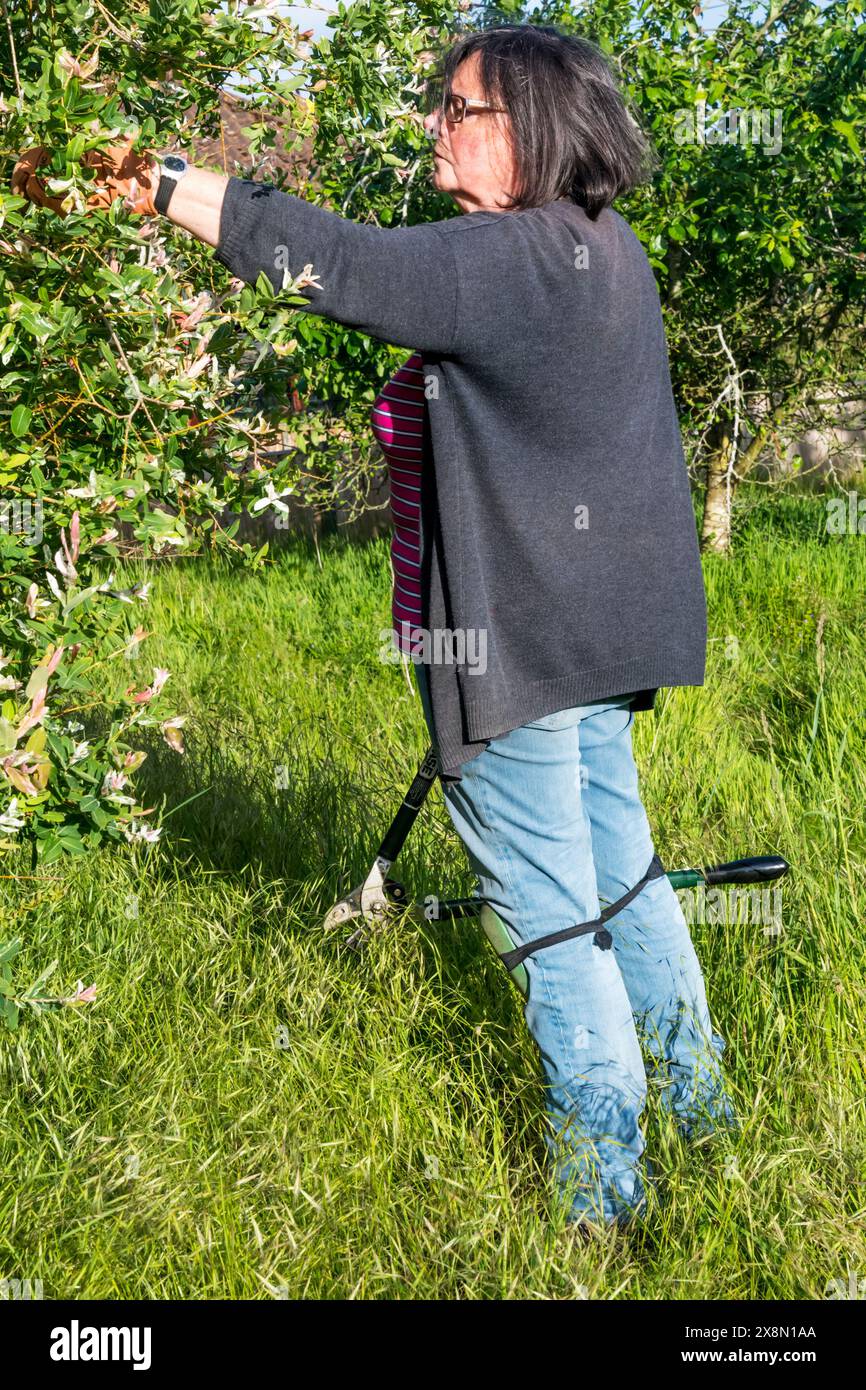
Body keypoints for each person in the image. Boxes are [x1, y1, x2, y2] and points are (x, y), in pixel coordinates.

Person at [12, 22, 738, 1234]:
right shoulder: (606, 251)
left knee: (555, 917)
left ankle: (604, 1205)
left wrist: (157, 183)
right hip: (600, 640)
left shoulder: (498, 259)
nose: (434, 128)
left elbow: (329, 260)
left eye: (460, 110)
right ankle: (707, 1124)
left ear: (533, 128)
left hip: (518, 647)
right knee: (626, 885)